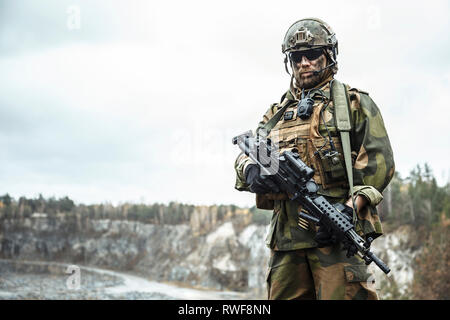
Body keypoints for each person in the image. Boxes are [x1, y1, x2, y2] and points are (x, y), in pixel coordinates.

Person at [234, 18, 395, 300]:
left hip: (334, 238)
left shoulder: (353, 104)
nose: (304, 63)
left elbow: (379, 164)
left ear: (328, 56)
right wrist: (251, 172)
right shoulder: (277, 113)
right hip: (286, 245)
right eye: (297, 57)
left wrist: (350, 209)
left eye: (312, 55)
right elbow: (245, 154)